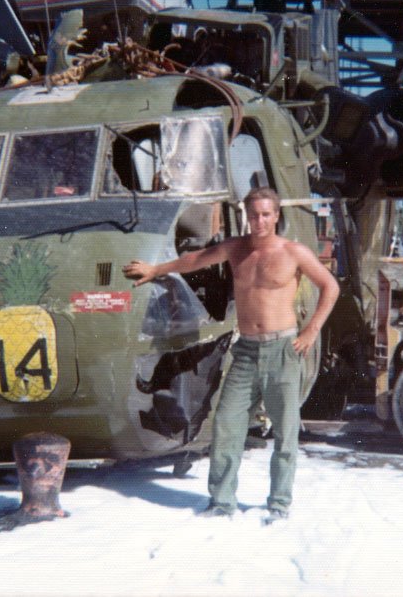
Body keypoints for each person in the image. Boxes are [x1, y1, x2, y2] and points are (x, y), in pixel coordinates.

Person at [123, 187, 339, 522]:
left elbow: (331, 286)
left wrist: (311, 330)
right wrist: (156, 270)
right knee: (226, 424)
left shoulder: (293, 252)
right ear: (245, 215)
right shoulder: (236, 249)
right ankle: (222, 502)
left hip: (283, 349)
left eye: (266, 214)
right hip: (246, 351)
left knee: (285, 430)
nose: (259, 221)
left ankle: (279, 503)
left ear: (276, 215)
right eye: (253, 214)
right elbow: (195, 260)